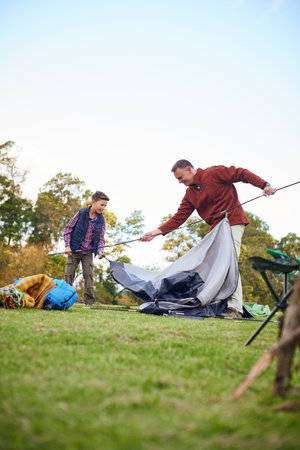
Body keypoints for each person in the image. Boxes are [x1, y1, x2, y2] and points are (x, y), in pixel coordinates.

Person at [140, 160, 276, 318]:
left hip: (232, 222)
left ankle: (235, 309)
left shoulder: (214, 173)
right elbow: (179, 218)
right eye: (178, 179)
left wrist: (264, 185)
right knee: (208, 266)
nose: (180, 182)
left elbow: (241, 173)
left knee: (229, 264)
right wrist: (155, 233)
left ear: (190, 170)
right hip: (215, 229)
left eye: (181, 177)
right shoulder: (190, 194)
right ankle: (214, 302)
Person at [63, 190, 109, 305]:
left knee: (88, 275)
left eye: (105, 206)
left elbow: (101, 239)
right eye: (101, 205)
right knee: (69, 274)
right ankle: (65, 299)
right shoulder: (81, 213)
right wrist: (67, 246)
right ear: (93, 202)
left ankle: (89, 302)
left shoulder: (101, 220)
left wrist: (100, 251)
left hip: (87, 252)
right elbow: (68, 229)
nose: (103, 208)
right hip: (74, 250)